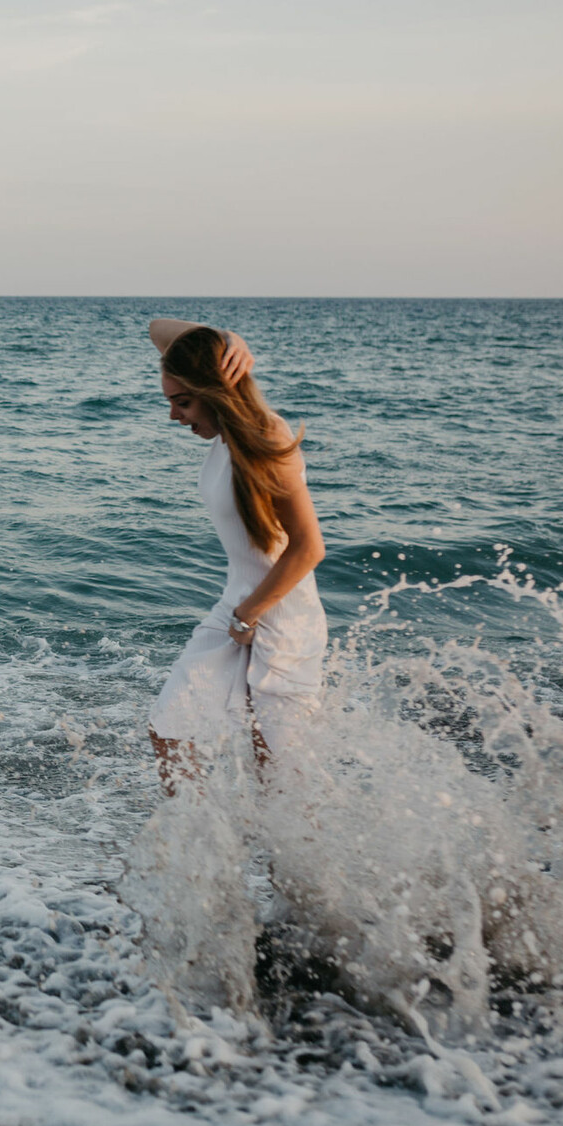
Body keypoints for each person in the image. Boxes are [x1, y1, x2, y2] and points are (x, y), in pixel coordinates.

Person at [144, 320, 327, 794]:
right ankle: (206, 856)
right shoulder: (226, 440)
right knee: (170, 729)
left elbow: (309, 547)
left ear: (217, 392)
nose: (173, 416)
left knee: (281, 782)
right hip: (238, 608)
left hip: (281, 618)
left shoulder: (266, 439)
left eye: (182, 402)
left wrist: (249, 615)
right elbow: (156, 328)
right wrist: (225, 339)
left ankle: (293, 866)